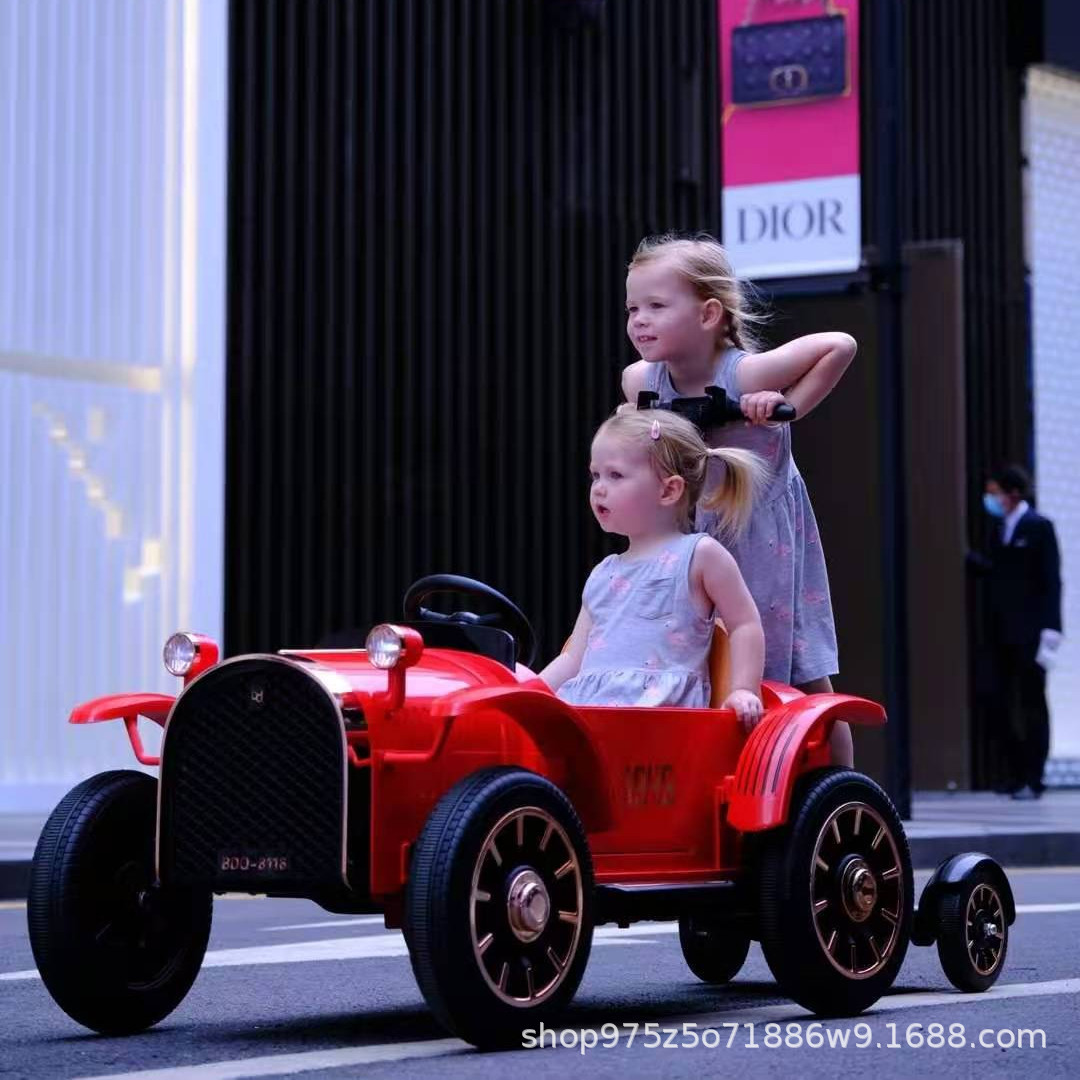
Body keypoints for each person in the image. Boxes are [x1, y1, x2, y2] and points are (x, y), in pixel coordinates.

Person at [619, 233, 856, 765]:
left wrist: (785, 404)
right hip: (693, 539)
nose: (639, 320)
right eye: (633, 307)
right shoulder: (642, 382)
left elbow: (840, 345)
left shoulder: (745, 372)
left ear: (707, 314)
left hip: (759, 540)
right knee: (693, 657)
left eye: (656, 306)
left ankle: (846, 787)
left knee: (796, 666)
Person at [539, 409, 767, 729]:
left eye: (615, 475)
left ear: (668, 490)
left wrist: (743, 690)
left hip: (659, 722)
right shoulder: (604, 573)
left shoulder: (699, 554)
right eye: (595, 475)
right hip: (591, 715)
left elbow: (744, 623)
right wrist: (528, 692)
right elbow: (572, 659)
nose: (599, 488)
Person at [974, 464, 1062, 799]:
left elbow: (1051, 580)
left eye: (995, 491)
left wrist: (1051, 630)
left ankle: (1034, 777)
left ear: (1012, 493)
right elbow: (999, 573)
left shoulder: (1039, 528)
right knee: (998, 700)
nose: (991, 498)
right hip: (1001, 632)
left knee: (1031, 704)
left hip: (1031, 633)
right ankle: (1013, 773)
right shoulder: (1000, 530)